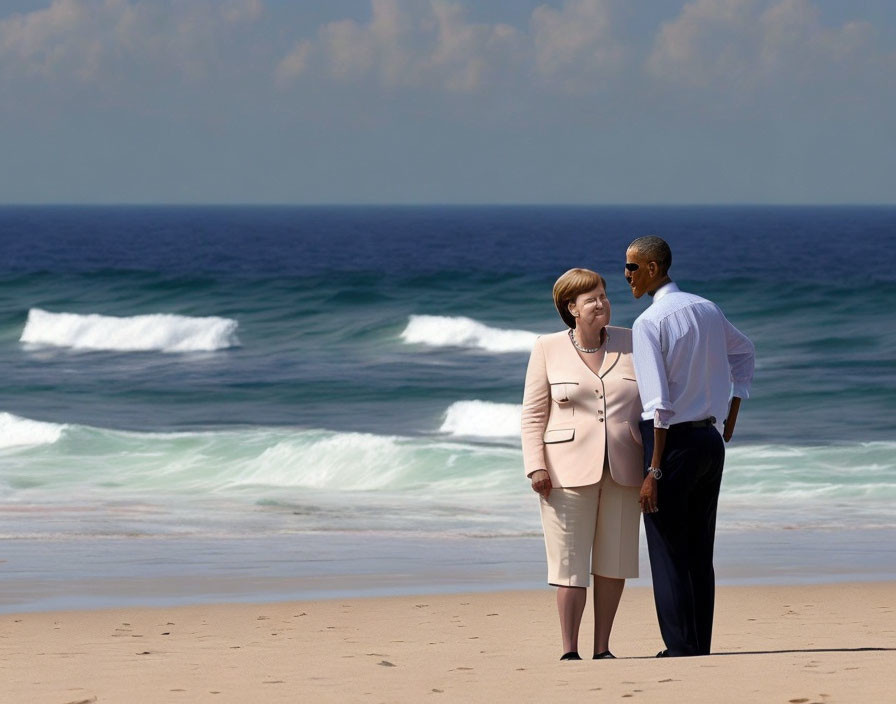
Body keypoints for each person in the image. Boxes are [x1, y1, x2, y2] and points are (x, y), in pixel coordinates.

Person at [625, 236, 755, 657]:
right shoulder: (706, 308)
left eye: (631, 267)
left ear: (652, 267)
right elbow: (746, 352)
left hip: (672, 444)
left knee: (667, 549)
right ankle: (699, 644)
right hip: (709, 439)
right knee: (700, 549)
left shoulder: (649, 323)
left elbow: (658, 405)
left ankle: (681, 646)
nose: (625, 274)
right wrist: (732, 412)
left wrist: (654, 470)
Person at [521, 268, 645, 661]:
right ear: (571, 307)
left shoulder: (633, 341)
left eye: (604, 295)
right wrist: (535, 466)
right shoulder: (547, 347)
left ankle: (603, 647)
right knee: (570, 563)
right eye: (590, 298)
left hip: (626, 467)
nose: (601, 303)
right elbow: (532, 414)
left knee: (614, 562)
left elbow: (656, 401)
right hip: (564, 471)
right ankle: (570, 649)